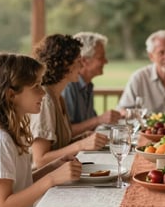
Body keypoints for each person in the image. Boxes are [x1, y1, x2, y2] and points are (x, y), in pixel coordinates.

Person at [0, 53, 82, 207]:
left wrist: (51, 168)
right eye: (36, 86)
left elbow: (19, 185)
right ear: (11, 95)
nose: (43, 93)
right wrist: (52, 179)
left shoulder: (11, 133)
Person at [30, 34, 108, 168]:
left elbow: (57, 146)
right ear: (65, 65)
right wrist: (81, 145)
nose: (82, 65)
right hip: (43, 184)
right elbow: (40, 160)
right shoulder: (45, 100)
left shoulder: (58, 97)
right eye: (79, 61)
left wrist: (81, 138)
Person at [62, 32, 121, 136]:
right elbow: (65, 131)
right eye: (101, 57)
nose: (106, 61)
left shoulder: (88, 85)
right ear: (84, 61)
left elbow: (91, 125)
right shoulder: (68, 86)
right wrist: (99, 119)